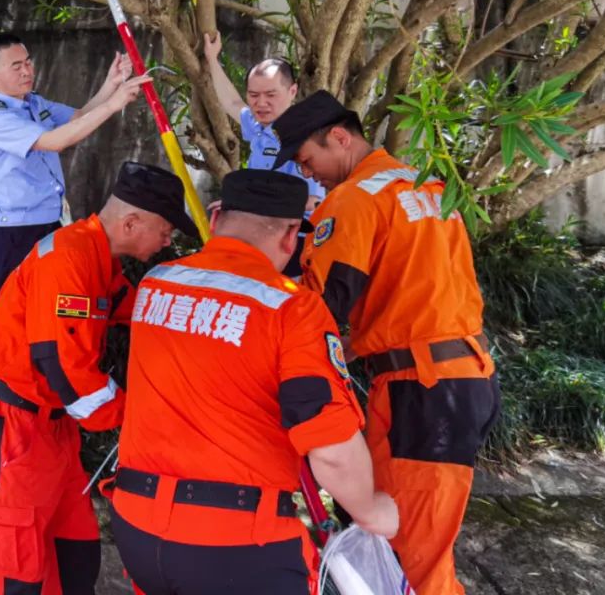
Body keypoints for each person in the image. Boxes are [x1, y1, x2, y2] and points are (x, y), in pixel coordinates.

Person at [110, 168, 399, 595]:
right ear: (291, 236)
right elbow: (331, 448)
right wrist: (372, 511)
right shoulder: (292, 308)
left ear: (216, 219)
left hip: (137, 528)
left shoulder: (157, 284)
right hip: (237, 543)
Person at [271, 91, 501, 595]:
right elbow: (414, 296)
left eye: (308, 160)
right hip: (461, 378)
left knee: (412, 555)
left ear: (339, 137)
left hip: (422, 391)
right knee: (400, 538)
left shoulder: (353, 198)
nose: (308, 174)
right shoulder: (423, 185)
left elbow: (324, 305)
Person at [0, 161, 199, 595]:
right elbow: (68, 375)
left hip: (54, 431)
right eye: (165, 231)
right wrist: (142, 417)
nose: (168, 242)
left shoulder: (98, 258)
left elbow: (137, 310)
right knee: (14, 572)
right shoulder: (68, 260)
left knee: (75, 550)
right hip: (14, 430)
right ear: (131, 223)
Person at [0, 32, 151, 295]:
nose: (27, 71)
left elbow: (78, 117)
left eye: (28, 62)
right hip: (18, 230)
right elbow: (55, 141)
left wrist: (111, 84)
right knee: (17, 306)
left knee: (52, 300)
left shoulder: (34, 102)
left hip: (52, 221)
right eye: (16, 66)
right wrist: (114, 104)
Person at [202, 31, 324, 276]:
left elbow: (313, 201)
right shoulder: (258, 125)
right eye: (254, 95)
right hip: (254, 234)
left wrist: (243, 203)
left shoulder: (307, 138)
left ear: (292, 91)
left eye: (271, 95)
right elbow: (232, 103)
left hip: (292, 241)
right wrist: (212, 59)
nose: (261, 103)